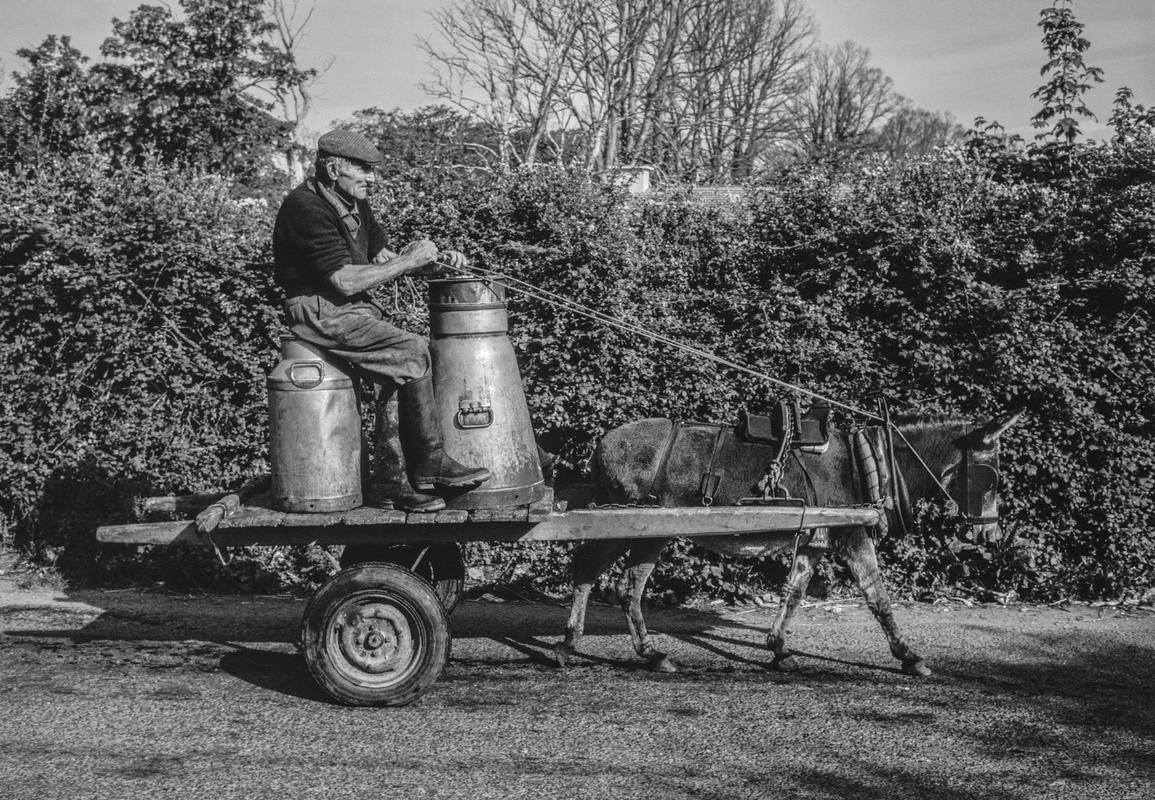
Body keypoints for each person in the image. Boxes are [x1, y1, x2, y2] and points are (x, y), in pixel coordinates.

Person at [272, 129, 490, 512]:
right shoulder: (305, 208)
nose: (372, 179)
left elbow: (383, 261)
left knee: (399, 366)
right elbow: (343, 279)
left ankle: (391, 483)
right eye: (364, 170)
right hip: (317, 309)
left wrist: (435, 262)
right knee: (410, 348)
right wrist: (410, 260)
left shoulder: (355, 204)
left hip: (351, 307)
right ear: (332, 167)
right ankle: (428, 464)